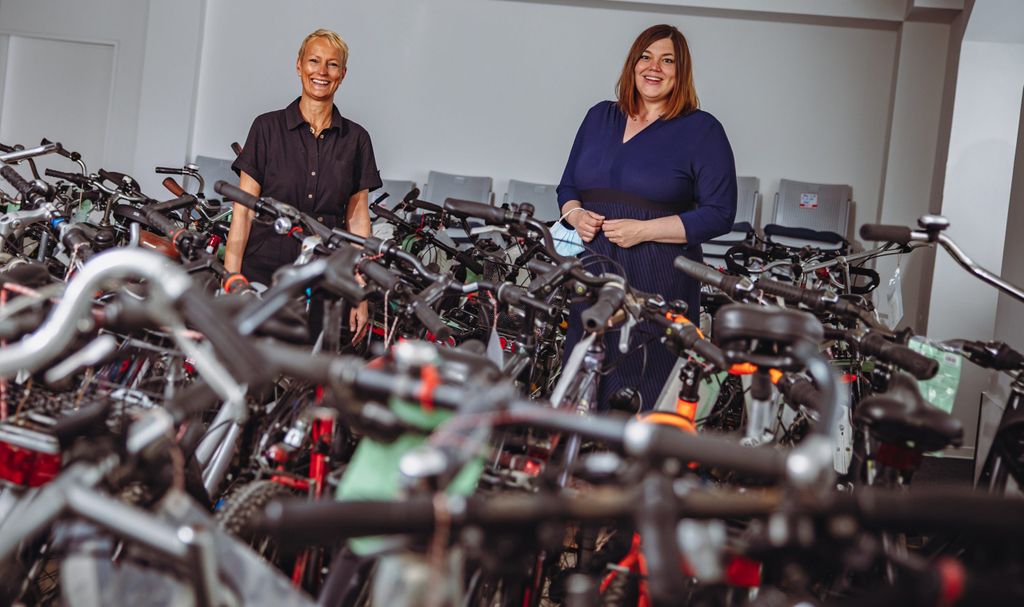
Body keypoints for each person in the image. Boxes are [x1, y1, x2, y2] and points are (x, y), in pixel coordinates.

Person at [556, 23, 737, 411]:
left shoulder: (701, 130)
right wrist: (574, 215)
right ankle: (575, 465)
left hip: (659, 277)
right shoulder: (598, 117)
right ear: (633, 63)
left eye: (667, 60)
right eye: (646, 56)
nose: (654, 67)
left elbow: (720, 214)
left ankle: (635, 468)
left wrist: (644, 231)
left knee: (643, 387)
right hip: (592, 269)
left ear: (681, 71)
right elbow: (567, 187)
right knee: (581, 378)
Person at [226, 28, 382, 343]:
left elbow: (358, 221)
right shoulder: (266, 128)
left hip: (326, 276)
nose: (322, 72)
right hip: (263, 269)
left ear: (343, 74)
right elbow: (242, 212)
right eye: (314, 61)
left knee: (309, 374)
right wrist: (231, 278)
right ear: (299, 66)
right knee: (253, 373)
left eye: (332, 64)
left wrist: (360, 292)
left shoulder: (357, 139)